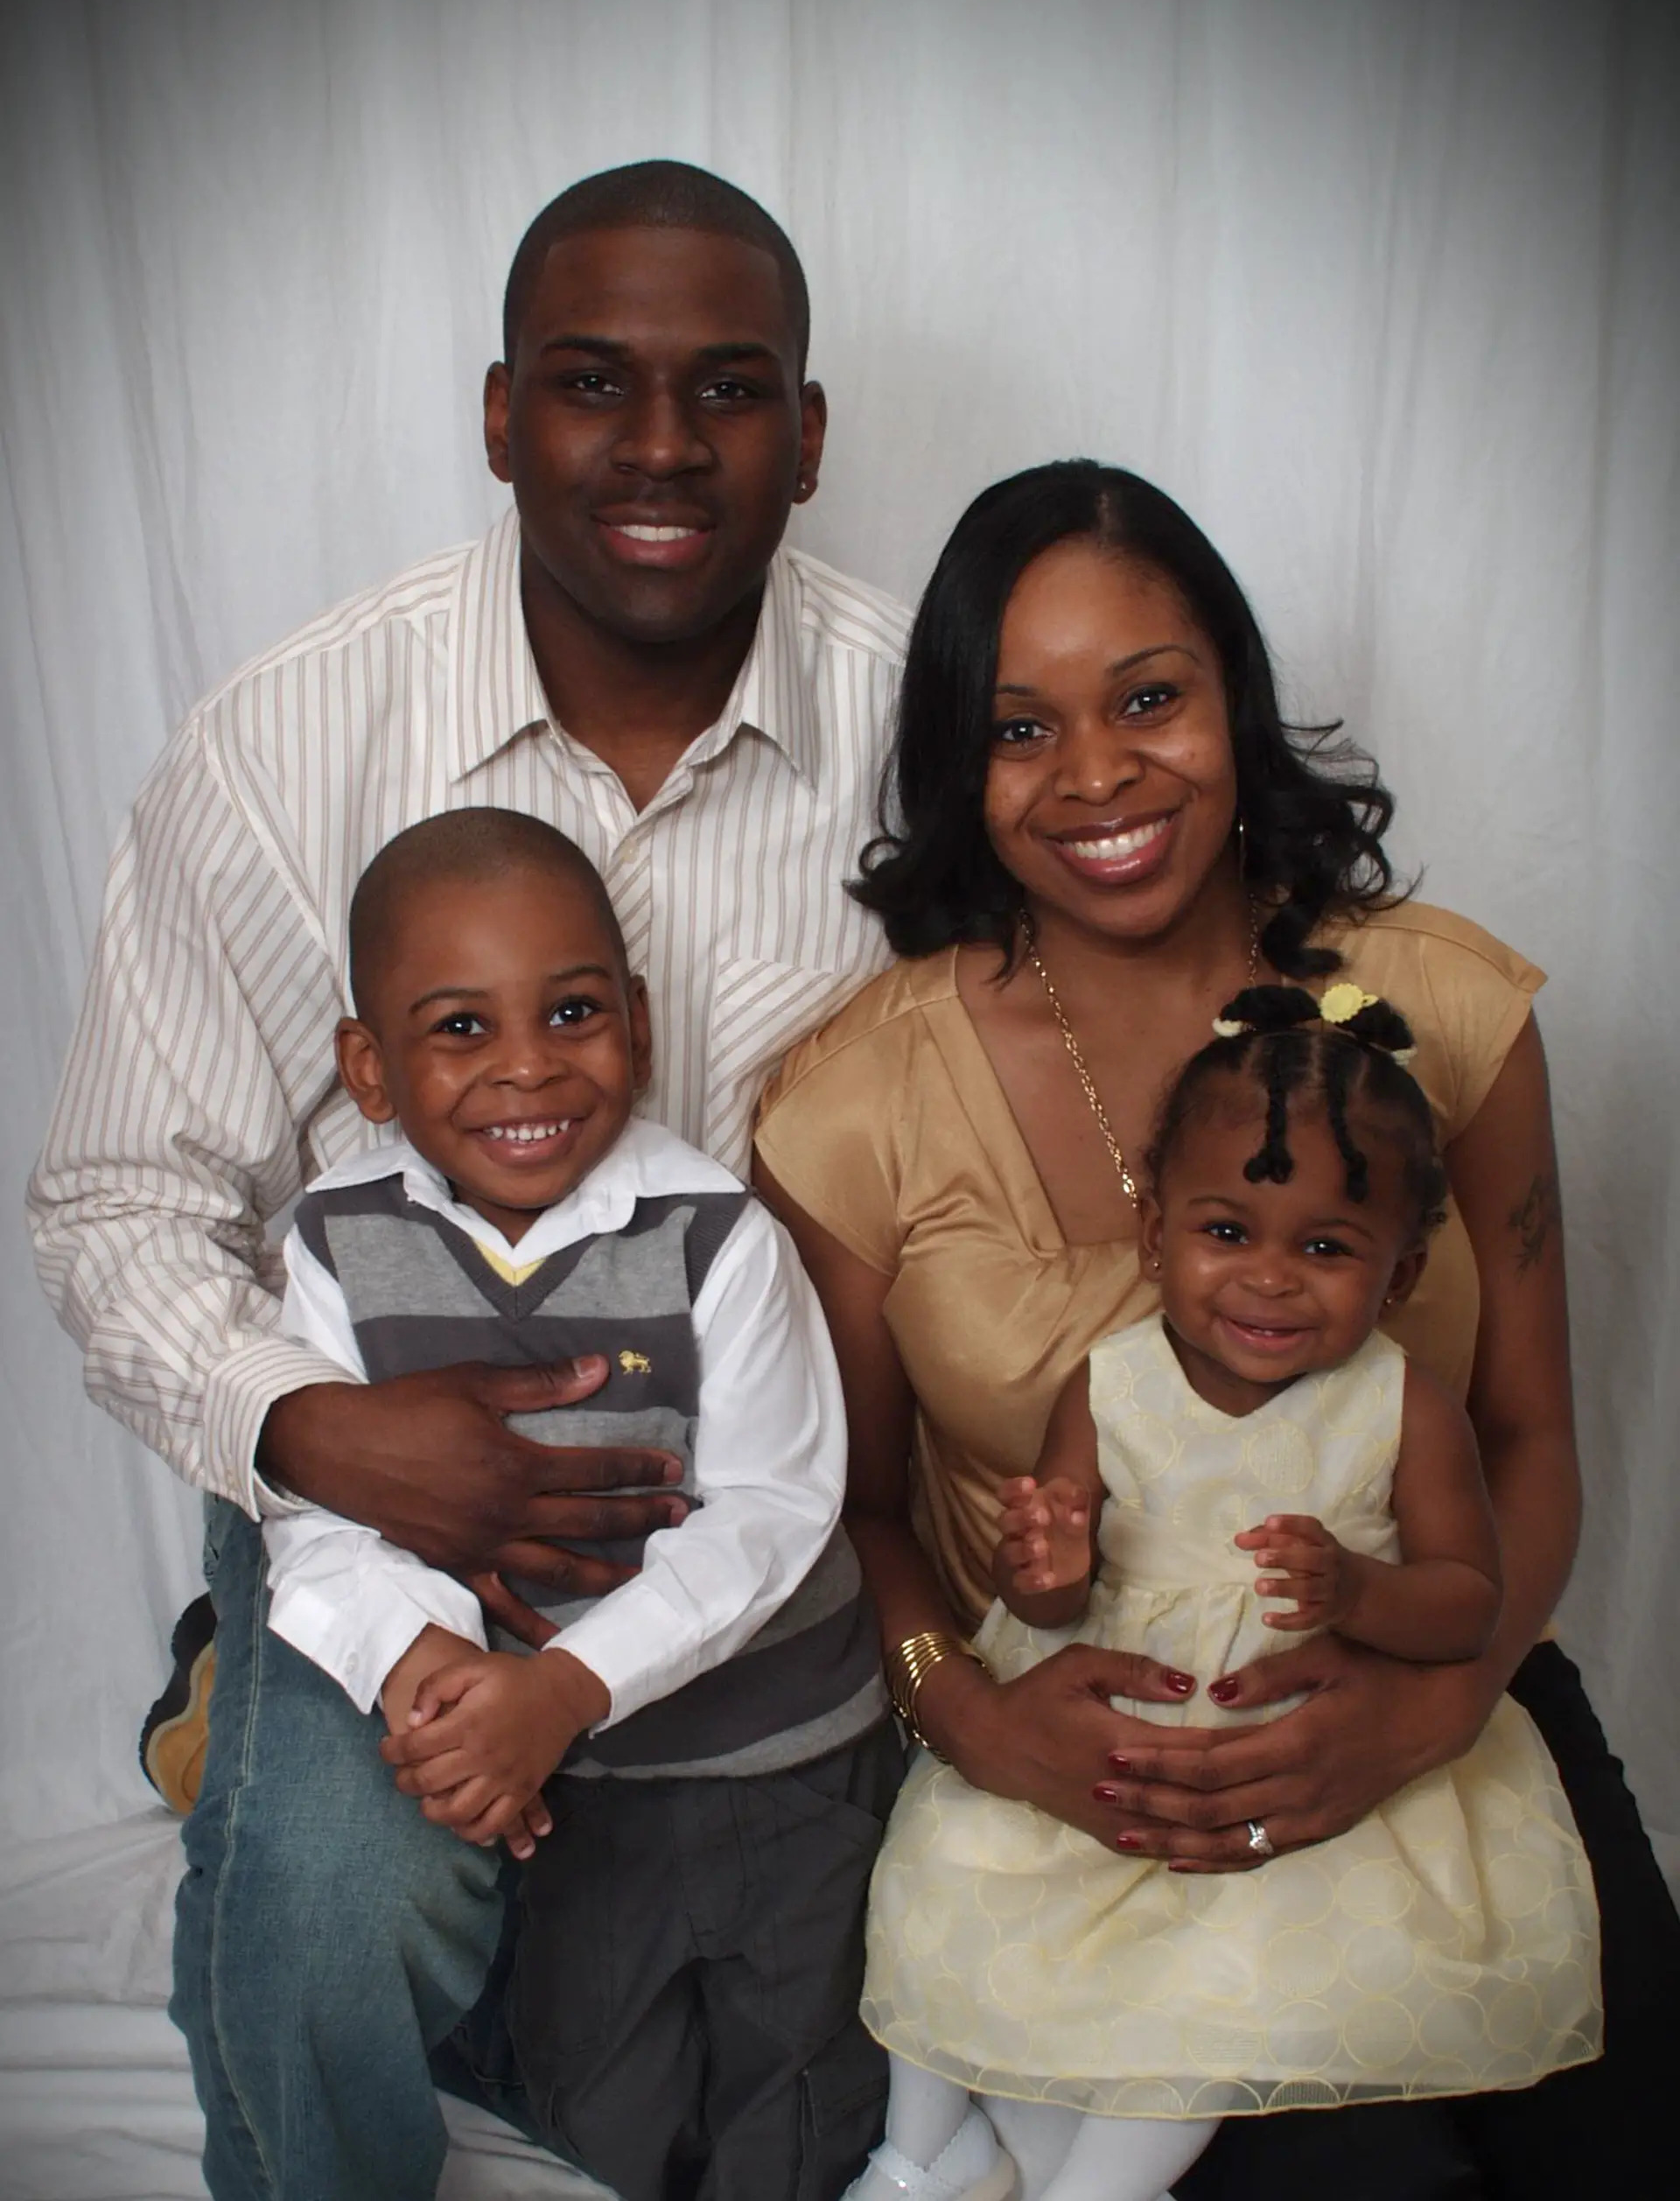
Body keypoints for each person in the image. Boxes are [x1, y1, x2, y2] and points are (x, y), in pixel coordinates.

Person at [29, 160, 908, 2200]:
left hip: (743, 1501)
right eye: (594, 383)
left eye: (732, 388)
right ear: (500, 412)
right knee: (339, 1889)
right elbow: (115, 1200)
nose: (665, 448)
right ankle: (257, 1715)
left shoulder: (923, 723)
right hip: (379, 1483)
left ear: (810, 429)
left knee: (775, 2006)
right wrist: (321, 1437)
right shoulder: (288, 735)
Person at [753, 459, 1680, 2198]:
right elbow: (855, 1507)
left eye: (1151, 696)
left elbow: (1537, 1433)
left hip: (1442, 1677)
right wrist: (975, 1718)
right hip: (1088, 1768)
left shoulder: (1450, 1008)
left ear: (1237, 703)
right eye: (1022, 726)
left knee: (1626, 2136)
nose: (1096, 772)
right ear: (961, 762)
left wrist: (1435, 1707)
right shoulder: (857, 1098)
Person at [843, 985, 1599, 2201]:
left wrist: (1355, 1590)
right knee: (954, 1902)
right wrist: (1045, 1569)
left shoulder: (1402, 1408)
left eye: (1326, 1247)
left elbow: (1464, 1601)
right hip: (1103, 1754)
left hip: (1288, 1784)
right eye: (1228, 1232)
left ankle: (1098, 2189)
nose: (1270, 1281)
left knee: (1213, 2000)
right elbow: (1047, 1605)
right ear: (1156, 1238)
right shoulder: (1109, 1385)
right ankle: (926, 2152)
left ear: (1399, 1274)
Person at [264, 808, 895, 2199]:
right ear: (368, 1069)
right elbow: (320, 1508)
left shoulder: (717, 1233)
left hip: (772, 1757)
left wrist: (565, 1685)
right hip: (569, 1792)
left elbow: (775, 1514)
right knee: (605, 2129)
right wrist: (418, 1662)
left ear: (640, 1021)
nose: (530, 1066)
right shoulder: (330, 1243)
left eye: (571, 1011)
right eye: (460, 1030)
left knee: (797, 2118)